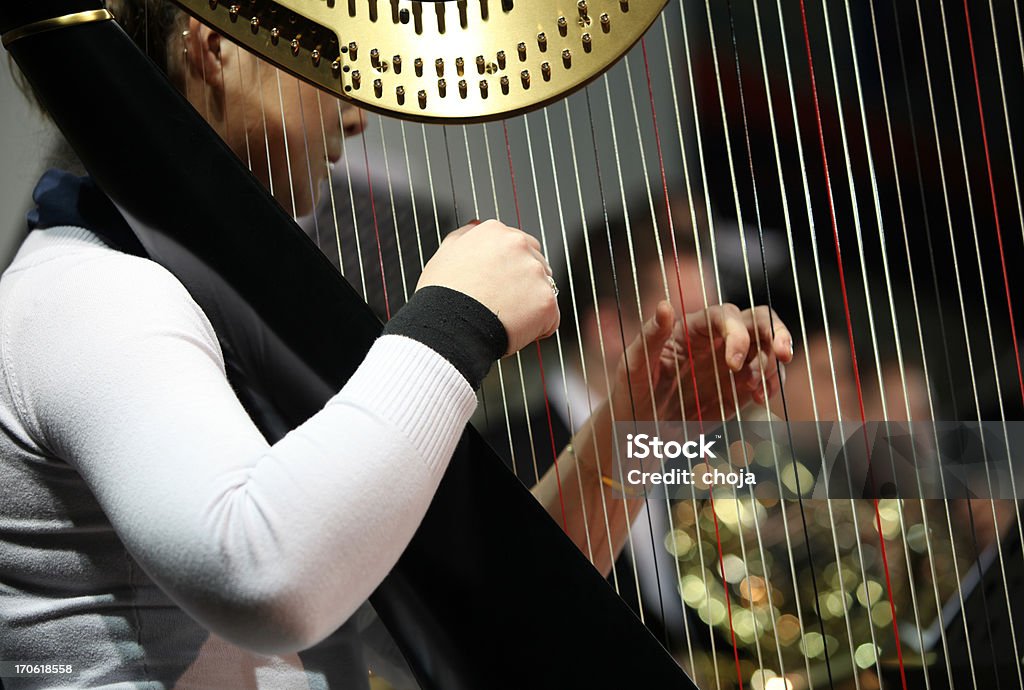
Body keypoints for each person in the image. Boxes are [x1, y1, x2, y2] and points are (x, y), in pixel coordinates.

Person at [0, 2, 794, 689]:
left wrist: (638, 426)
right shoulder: (87, 292)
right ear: (219, 49)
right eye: (330, 59)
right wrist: (455, 318)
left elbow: (477, 617)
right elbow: (267, 577)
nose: (355, 113)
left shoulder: (205, 312)